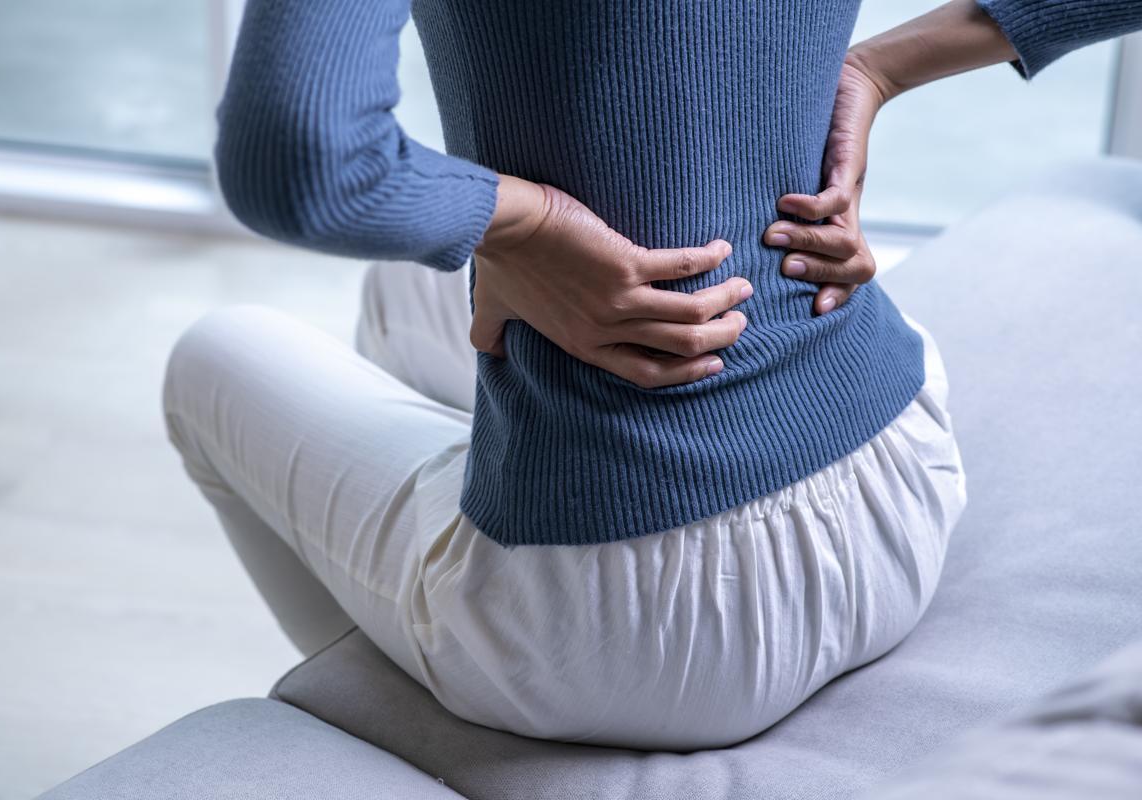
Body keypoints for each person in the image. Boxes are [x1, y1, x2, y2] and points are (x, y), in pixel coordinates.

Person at [164, 0, 1142, 750]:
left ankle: (400, 716)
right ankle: (487, 527)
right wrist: (877, 68)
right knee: (408, 287)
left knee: (214, 357)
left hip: (624, 625)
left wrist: (534, 226)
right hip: (899, 469)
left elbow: (302, 159)